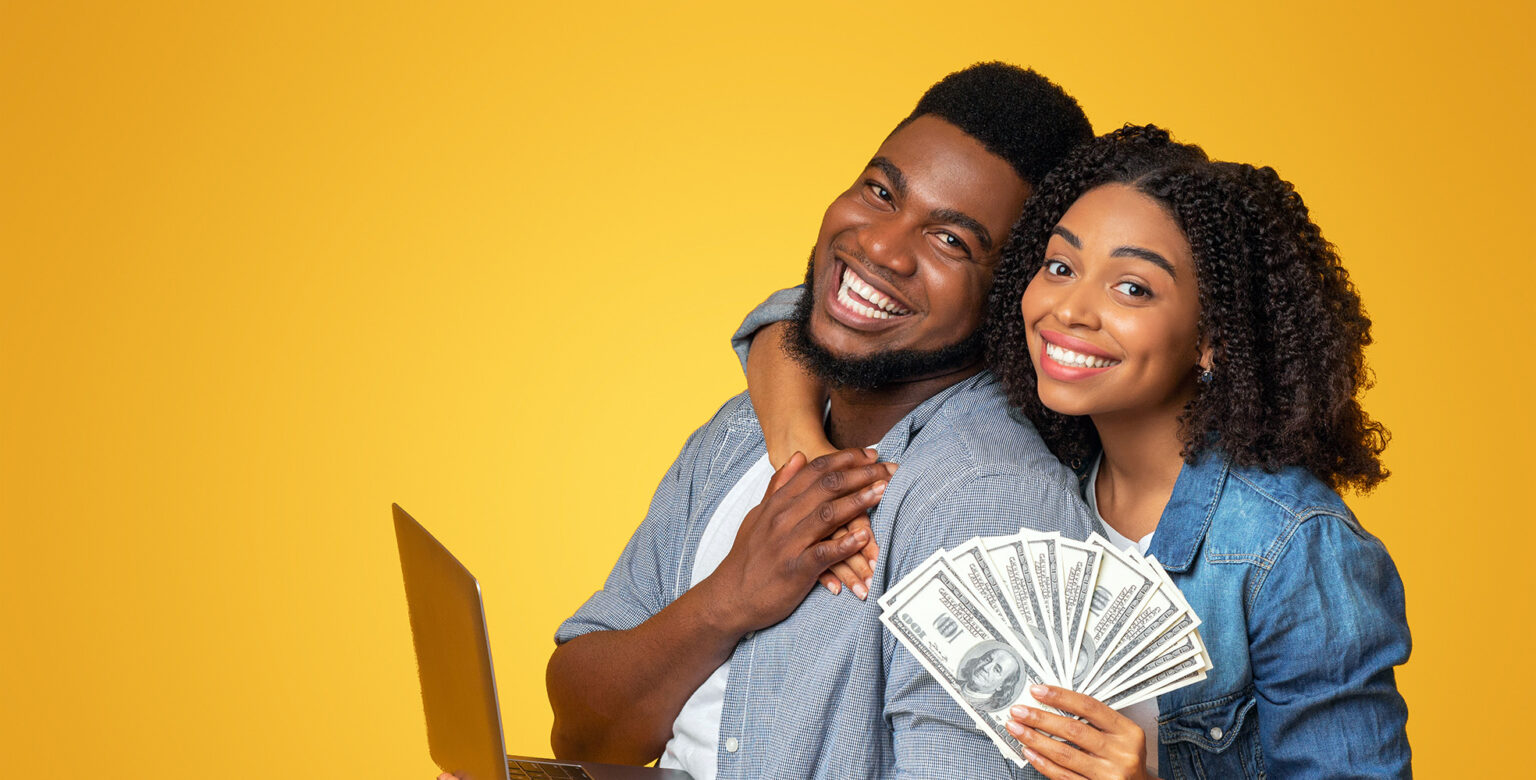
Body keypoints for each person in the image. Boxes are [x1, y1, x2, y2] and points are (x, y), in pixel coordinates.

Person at [740, 126, 1411, 778]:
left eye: (1132, 288)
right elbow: (799, 314)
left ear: (1215, 340)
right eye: (1059, 267)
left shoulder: (1291, 550)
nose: (1069, 310)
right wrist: (800, 447)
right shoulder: (1040, 464)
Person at [544, 63, 1098, 780]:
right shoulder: (741, 433)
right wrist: (726, 600)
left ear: (1010, 297)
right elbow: (582, 734)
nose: (880, 246)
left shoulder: (987, 504)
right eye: (880, 191)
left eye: (952, 241)